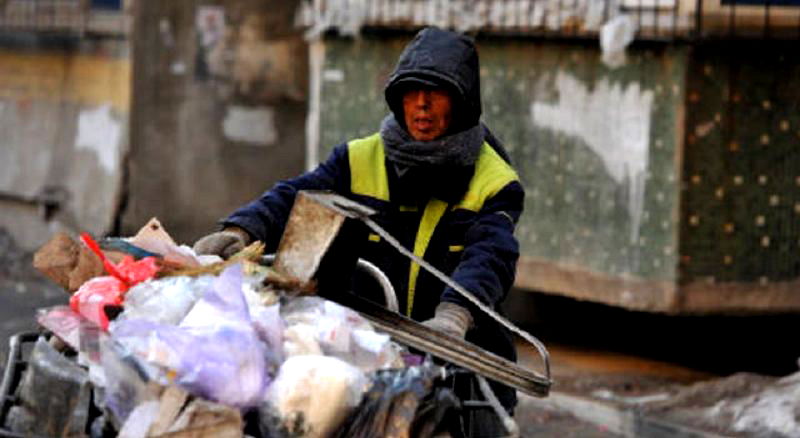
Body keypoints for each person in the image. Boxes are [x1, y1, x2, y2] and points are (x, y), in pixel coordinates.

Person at [194, 27, 524, 433]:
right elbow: (294, 197)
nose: (421, 104)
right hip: (371, 349)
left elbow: (490, 255)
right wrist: (242, 229)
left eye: (436, 92)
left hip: (459, 357)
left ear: (462, 102)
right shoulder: (358, 157)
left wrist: (454, 315)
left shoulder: (495, 181)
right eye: (411, 90)